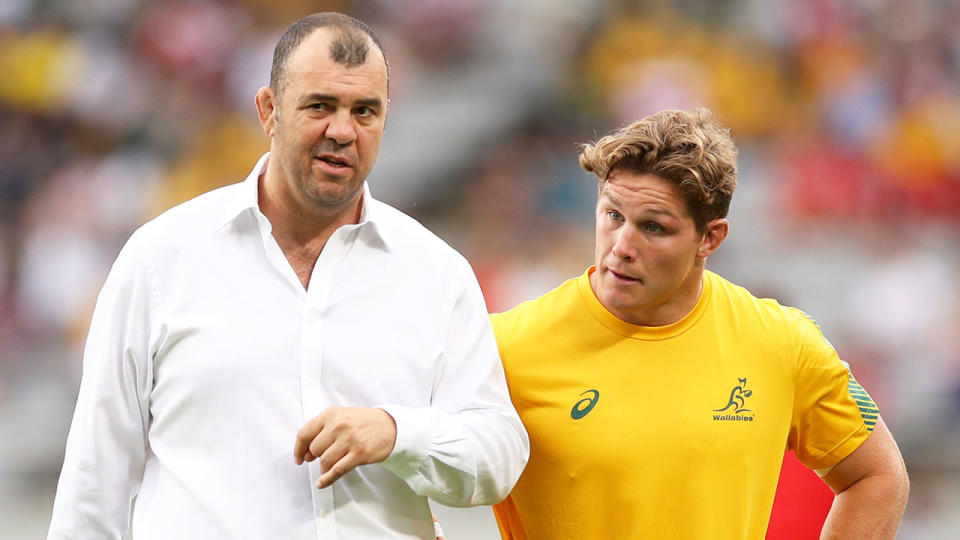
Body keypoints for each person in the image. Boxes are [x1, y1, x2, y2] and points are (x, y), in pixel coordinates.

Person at [48, 12, 528, 539]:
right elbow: (95, 480)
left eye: (364, 111)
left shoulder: (437, 273)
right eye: (320, 106)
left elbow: (499, 453)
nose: (342, 131)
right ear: (269, 111)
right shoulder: (160, 259)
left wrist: (397, 433)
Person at [490, 108, 909, 539]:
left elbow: (877, 476)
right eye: (613, 215)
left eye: (653, 227)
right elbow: (420, 458)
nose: (622, 247)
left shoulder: (781, 342)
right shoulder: (506, 345)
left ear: (710, 237)